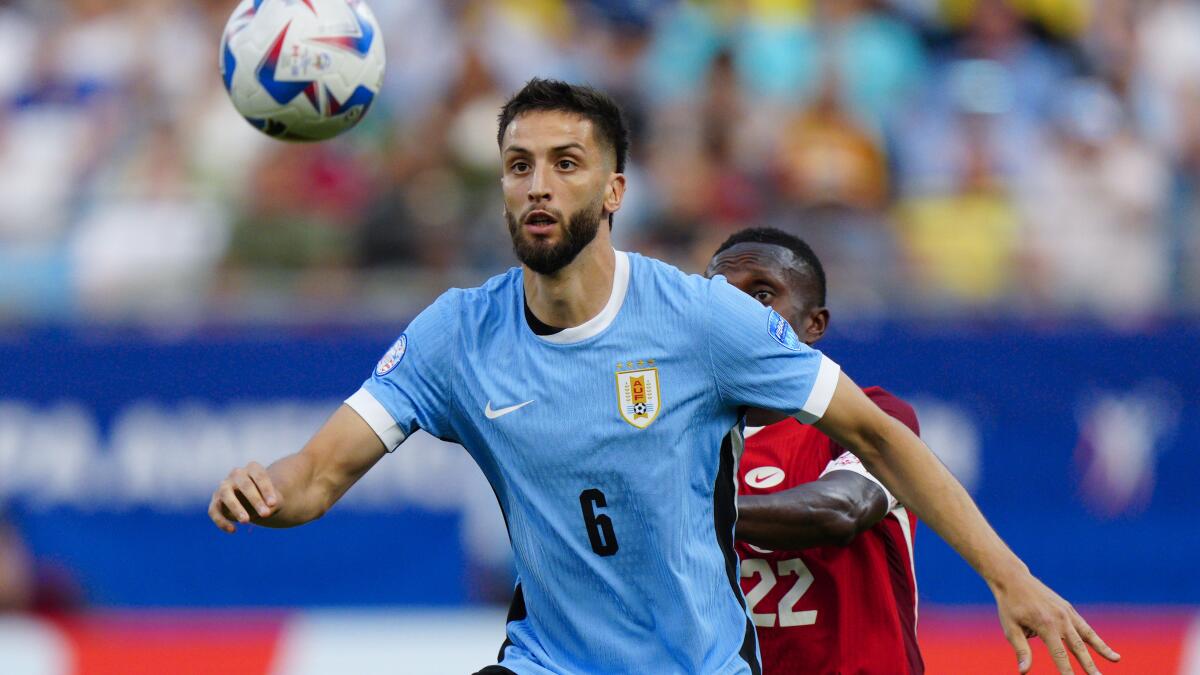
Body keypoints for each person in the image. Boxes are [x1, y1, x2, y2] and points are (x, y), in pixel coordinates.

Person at [209, 79, 1118, 675]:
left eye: (566, 165)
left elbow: (877, 439)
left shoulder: (701, 319)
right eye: (519, 165)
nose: (538, 186)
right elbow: (317, 473)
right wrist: (267, 488)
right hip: (548, 662)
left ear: (613, 190)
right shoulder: (455, 333)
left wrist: (1010, 576)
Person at [708, 227, 922, 673]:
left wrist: (691, 512)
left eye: (763, 294)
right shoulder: (680, 437)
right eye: (720, 296)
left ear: (814, 324)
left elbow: (841, 510)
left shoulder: (876, 418)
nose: (738, 312)